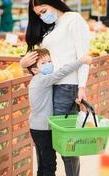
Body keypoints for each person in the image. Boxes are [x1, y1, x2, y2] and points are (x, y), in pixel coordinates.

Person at [20, 0, 90, 176]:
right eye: (39, 14)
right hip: (52, 85)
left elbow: (83, 56)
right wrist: (24, 63)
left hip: (67, 86)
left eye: (43, 10)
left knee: (65, 141)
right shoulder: (53, 26)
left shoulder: (73, 19)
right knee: (51, 140)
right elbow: (43, 60)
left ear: (53, 2)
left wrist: (82, 86)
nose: (42, 16)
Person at [28, 48, 92, 176]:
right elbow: (62, 72)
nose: (49, 65)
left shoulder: (35, 81)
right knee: (49, 164)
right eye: (44, 63)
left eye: (49, 61)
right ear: (35, 70)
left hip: (35, 127)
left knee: (43, 162)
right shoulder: (43, 80)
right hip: (44, 129)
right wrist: (81, 61)